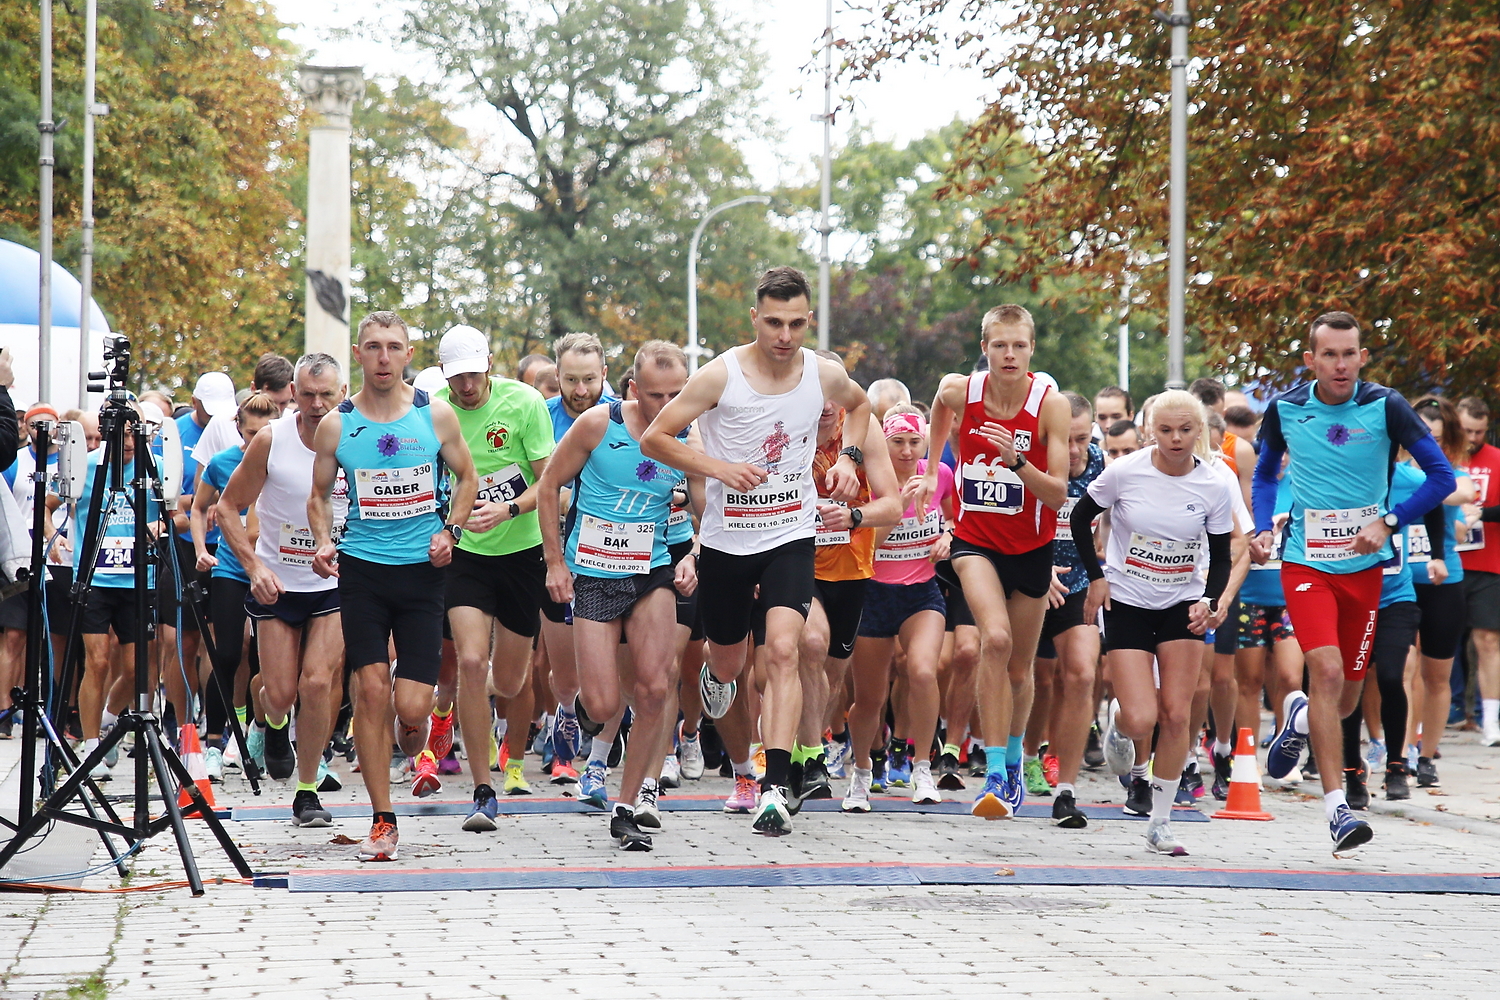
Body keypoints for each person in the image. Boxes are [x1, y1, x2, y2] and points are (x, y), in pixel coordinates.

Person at [640, 265, 871, 835]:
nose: (785, 336)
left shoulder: (823, 373)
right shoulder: (722, 374)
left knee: (786, 653)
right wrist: (718, 467)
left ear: (808, 320)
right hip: (726, 540)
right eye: (773, 322)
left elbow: (862, 408)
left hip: (791, 533)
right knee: (729, 661)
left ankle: (775, 785)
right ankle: (719, 681)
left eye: (796, 323)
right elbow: (656, 437)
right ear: (754, 318)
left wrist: (849, 458)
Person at [1254, 311, 1454, 856]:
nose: (1339, 365)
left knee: (1342, 698)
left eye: (1349, 354)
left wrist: (1388, 522)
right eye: (1329, 354)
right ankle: (1337, 809)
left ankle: (1296, 715)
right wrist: (1260, 526)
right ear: (1311, 359)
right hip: (1306, 563)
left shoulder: (1386, 405)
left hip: (1365, 572)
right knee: (1326, 668)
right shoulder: (1287, 408)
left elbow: (1443, 478)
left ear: (1362, 357)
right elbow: (1265, 472)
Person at [308, 313, 478, 861]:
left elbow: (468, 479)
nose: (384, 357)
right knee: (372, 690)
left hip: (423, 574)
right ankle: (383, 818)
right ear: (358, 354)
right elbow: (318, 496)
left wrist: (450, 530)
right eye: (374, 347)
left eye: (394, 348)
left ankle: (421, 732)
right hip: (362, 572)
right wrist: (322, 540)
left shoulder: (437, 415)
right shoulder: (338, 424)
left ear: (408, 354)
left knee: (410, 706)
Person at [539, 341, 699, 850]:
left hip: (652, 570)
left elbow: (705, 511)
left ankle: (627, 805)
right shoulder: (598, 425)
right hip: (593, 572)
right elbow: (548, 487)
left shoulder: (689, 437)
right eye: (657, 395)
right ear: (633, 389)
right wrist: (554, 563)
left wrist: (696, 554)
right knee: (605, 704)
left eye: (678, 394)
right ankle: (581, 714)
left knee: (655, 686)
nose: (669, 405)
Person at [917, 304, 1070, 820]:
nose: (1009, 354)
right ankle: (996, 769)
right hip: (975, 543)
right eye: (999, 345)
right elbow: (939, 404)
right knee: (995, 641)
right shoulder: (963, 391)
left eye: (1019, 346)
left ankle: (1015, 749)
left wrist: (1017, 462)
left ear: (1031, 350)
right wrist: (934, 465)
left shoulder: (1051, 407)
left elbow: (1057, 495)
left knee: (1021, 670)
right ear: (984, 348)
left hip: (1031, 549)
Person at [1072, 390, 1236, 856]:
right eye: (1166, 430)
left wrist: (1210, 599)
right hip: (1127, 602)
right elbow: (1082, 517)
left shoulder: (1214, 484)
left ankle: (1160, 823)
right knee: (1143, 718)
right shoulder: (1125, 472)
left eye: (1186, 429)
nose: (1176, 438)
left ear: (1199, 431)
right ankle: (1120, 723)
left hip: (1182, 605)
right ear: (1149, 431)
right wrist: (1097, 578)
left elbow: (1221, 556)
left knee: (1178, 714)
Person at [217, 354, 351, 826]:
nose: (317, 404)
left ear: (343, 392)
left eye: (327, 395)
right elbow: (227, 508)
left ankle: (308, 789)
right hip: (277, 583)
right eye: (307, 394)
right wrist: (254, 567)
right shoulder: (272, 440)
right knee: (280, 692)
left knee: (318, 681)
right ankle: (273, 724)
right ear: (293, 393)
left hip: (333, 583)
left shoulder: (358, 438)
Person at [431, 326, 554, 831]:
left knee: (508, 680)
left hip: (520, 550)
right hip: (465, 552)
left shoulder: (524, 402)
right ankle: (483, 791)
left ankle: (513, 754)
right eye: (455, 376)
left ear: (487, 365)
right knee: (471, 659)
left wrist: (507, 509)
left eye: (472, 374)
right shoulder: (433, 408)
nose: (465, 386)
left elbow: (551, 481)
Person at [843, 405, 952, 812]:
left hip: (921, 592)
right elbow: (865, 542)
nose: (907, 452)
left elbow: (955, 517)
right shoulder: (869, 480)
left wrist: (947, 536)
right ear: (883, 443)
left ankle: (921, 766)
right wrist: (896, 507)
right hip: (873, 591)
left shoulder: (937, 475)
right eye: (897, 442)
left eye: (914, 442)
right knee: (870, 698)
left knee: (924, 671)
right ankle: (861, 772)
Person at [190, 392, 279, 780]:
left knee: (267, 661)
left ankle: (259, 735)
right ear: (239, 428)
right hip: (230, 567)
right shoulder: (224, 462)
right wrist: (200, 550)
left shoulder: (286, 460)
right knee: (226, 654)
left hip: (276, 568)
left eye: (266, 431)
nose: (258, 437)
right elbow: (197, 506)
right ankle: (212, 742)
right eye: (251, 430)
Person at [1404, 396, 1474, 789]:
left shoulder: (1451, 474)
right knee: (1402, 668)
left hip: (1443, 583)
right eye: (1420, 436)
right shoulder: (1393, 472)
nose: (1427, 444)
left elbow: (1462, 494)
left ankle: (1427, 756)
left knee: (1436, 675)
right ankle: (1400, 749)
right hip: (1398, 581)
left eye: (1436, 438)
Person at [1456, 397, 1500, 746]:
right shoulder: (1440, 457)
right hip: (1445, 559)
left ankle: (1490, 721)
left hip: (1487, 564)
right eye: (1467, 430)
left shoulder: (1497, 460)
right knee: (1432, 645)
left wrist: (1483, 514)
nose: (1472, 437)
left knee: (1487, 640)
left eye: (1479, 432)